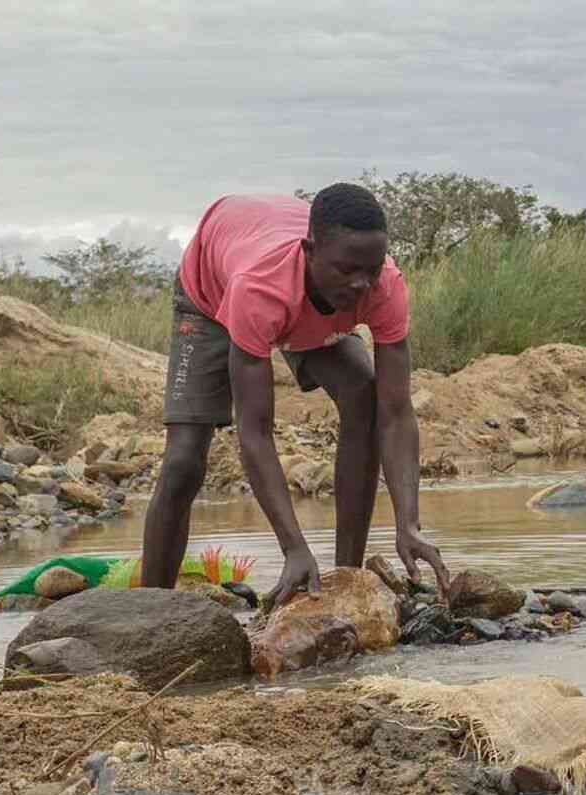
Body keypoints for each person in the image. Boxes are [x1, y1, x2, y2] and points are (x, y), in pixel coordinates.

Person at [142, 183, 449, 609]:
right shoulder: (258, 289)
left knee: (364, 394)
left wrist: (408, 524)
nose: (362, 285)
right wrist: (293, 548)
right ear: (309, 250)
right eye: (347, 270)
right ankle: (149, 608)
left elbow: (396, 413)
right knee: (183, 460)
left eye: (371, 269)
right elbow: (255, 431)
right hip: (210, 294)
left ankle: (347, 578)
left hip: (300, 299)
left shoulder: (383, 285)